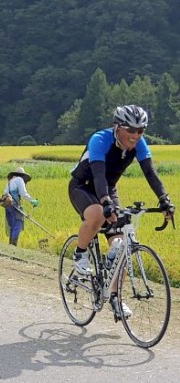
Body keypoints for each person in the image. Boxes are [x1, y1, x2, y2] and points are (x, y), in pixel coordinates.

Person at [69, 104, 175, 318]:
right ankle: (80, 253)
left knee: (122, 243)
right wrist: (106, 201)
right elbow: (98, 174)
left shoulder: (139, 144)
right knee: (99, 213)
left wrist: (164, 198)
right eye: (131, 129)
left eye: (141, 130)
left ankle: (116, 297)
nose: (136, 135)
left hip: (109, 190)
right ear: (118, 127)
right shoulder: (100, 139)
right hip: (84, 186)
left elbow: (150, 172)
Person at [3, 167, 39, 246]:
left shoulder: (9, 182)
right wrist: (32, 200)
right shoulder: (19, 179)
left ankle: (10, 245)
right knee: (18, 225)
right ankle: (14, 245)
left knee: (12, 226)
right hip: (15, 206)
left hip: (8, 207)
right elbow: (23, 194)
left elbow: (5, 193)